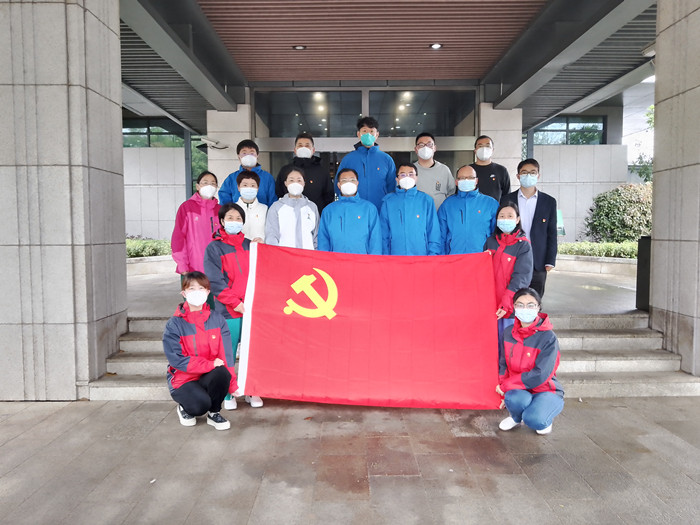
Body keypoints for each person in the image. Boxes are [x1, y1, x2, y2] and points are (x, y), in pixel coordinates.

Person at [203, 203, 264, 409]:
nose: (234, 222)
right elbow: (214, 280)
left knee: (252, 350)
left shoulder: (249, 245)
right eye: (230, 218)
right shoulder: (214, 248)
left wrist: (261, 247)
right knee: (227, 352)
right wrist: (234, 302)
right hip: (229, 310)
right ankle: (229, 392)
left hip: (252, 308)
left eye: (238, 218)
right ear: (222, 221)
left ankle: (252, 389)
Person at [162, 271, 236, 430]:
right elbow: (177, 360)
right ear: (184, 293)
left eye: (201, 288)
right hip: (184, 379)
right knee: (200, 406)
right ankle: (185, 408)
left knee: (222, 372)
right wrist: (209, 364)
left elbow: (226, 354)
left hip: (206, 376)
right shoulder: (174, 324)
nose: (197, 292)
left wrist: (233, 384)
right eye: (192, 289)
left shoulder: (217, 319)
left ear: (208, 292)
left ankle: (214, 413)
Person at [497, 287, 564, 435]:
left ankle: (543, 416)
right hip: (520, 389)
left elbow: (541, 374)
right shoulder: (508, 333)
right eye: (520, 305)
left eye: (530, 305)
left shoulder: (548, 338)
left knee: (534, 420)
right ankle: (516, 417)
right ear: (514, 307)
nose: (525, 309)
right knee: (512, 398)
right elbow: (503, 364)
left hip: (545, 389)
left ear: (538, 307)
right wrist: (503, 389)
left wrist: (507, 385)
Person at [501, 158, 557, 297]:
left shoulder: (549, 202)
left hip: (538, 260)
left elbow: (551, 233)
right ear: (518, 176)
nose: (528, 175)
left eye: (532, 172)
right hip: (512, 257)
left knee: (535, 299)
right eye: (524, 172)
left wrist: (550, 260)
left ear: (538, 175)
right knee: (512, 297)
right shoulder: (507, 199)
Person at [484, 202, 533, 349]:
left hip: (510, 308)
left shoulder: (523, 245)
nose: (505, 219)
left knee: (508, 347)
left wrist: (506, 303)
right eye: (502, 216)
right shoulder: (491, 241)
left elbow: (521, 278)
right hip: (490, 305)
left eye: (510, 216)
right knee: (490, 347)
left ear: (517, 219)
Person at [334, 116, 396, 210]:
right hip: (354, 210)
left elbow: (392, 187)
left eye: (371, 131)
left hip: (380, 209)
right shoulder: (348, 159)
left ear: (377, 134)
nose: (368, 134)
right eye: (364, 131)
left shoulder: (386, 159)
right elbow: (338, 185)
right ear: (358, 134)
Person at [379, 163, 441, 255]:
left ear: (416, 178)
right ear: (397, 179)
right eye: (403, 175)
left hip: (421, 255)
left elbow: (433, 231)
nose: (407, 178)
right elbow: (384, 233)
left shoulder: (426, 200)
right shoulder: (388, 201)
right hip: (396, 255)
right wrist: (386, 257)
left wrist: (433, 255)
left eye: (411, 174)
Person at [318, 168, 381, 254]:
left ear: (357, 183)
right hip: (336, 260)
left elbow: (375, 240)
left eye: (352, 180)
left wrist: (373, 260)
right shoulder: (328, 211)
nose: (348, 183)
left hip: (362, 259)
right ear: (339, 185)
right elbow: (323, 241)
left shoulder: (369, 209)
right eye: (344, 180)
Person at [438, 165, 498, 254]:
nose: (466, 180)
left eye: (470, 177)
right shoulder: (447, 204)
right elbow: (441, 235)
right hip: (455, 257)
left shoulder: (490, 203)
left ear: (476, 181)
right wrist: (442, 257)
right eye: (462, 178)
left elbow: (497, 234)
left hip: (482, 257)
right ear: (456, 182)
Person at [171, 171, 221, 274]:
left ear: (216, 187)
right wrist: (182, 265)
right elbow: (178, 238)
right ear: (197, 186)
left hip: (217, 269)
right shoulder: (187, 208)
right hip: (193, 268)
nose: (209, 186)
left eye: (213, 183)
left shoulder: (220, 210)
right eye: (205, 183)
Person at [275, 132, 334, 213]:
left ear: (313, 150)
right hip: (289, 215)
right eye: (300, 145)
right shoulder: (285, 170)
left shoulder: (322, 171)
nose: (303, 148)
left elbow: (329, 196)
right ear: (295, 150)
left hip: (315, 216)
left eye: (307, 145)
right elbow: (279, 193)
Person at [266, 166, 319, 249]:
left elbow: (316, 236)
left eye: (299, 180)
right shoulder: (276, 207)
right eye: (291, 180)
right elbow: (271, 235)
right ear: (285, 183)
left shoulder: (312, 207)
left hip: (308, 255)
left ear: (304, 183)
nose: (295, 183)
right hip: (284, 255)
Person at [219, 139, 277, 206]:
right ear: (238, 156)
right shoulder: (231, 178)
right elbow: (224, 202)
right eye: (244, 153)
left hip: (262, 212)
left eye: (252, 153)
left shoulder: (267, 177)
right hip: (237, 212)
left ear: (257, 155)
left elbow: (273, 201)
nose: (248, 156)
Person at [413, 132, 455, 210]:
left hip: (440, 215)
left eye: (429, 144)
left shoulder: (444, 169)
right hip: (417, 214)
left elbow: (452, 193)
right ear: (416, 149)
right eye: (421, 145)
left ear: (434, 148)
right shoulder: (411, 171)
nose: (425, 148)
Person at [470, 135, 511, 202]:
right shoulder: (468, 170)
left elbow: (507, 196)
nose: (484, 149)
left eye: (487, 146)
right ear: (475, 150)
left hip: (495, 208)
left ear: (492, 150)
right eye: (480, 146)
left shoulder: (501, 170)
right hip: (471, 208)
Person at [235, 170, 268, 243]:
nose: (249, 188)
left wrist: (263, 239)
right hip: (238, 248)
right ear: (238, 187)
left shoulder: (265, 209)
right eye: (245, 185)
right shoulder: (232, 209)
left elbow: (270, 232)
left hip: (260, 247)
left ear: (258, 188)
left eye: (253, 185)